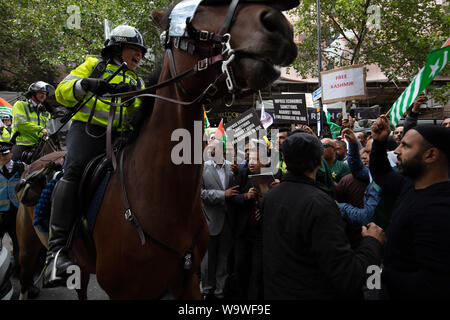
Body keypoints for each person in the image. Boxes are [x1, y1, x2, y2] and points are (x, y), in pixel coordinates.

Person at [43, 25, 147, 287]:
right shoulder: (92, 65)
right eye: (135, 49)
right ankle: (55, 253)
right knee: (74, 170)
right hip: (88, 133)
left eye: (141, 52)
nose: (139, 55)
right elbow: (61, 91)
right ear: (117, 47)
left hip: (122, 140)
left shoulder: (139, 81)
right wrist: (84, 84)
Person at [262, 133, 385, 299]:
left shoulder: (270, 196)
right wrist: (372, 242)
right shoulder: (321, 204)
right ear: (320, 162)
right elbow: (347, 275)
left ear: (284, 159)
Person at [370, 115, 450, 299]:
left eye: (405, 146)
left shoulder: (439, 210)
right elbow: (382, 173)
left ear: (431, 155)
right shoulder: (411, 185)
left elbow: (434, 285)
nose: (397, 150)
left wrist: (381, 272)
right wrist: (379, 142)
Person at [201, 139, 238, 299]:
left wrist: (238, 174)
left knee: (224, 258)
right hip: (210, 220)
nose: (212, 151)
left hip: (228, 221)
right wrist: (223, 195)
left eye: (215, 148)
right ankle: (207, 290)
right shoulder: (203, 168)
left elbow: (238, 188)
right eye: (210, 148)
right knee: (208, 260)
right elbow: (200, 194)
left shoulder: (232, 168)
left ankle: (220, 292)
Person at [11, 81, 55, 163]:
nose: (43, 95)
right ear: (33, 93)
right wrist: (40, 129)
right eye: (40, 93)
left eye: (45, 94)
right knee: (13, 170)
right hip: (22, 145)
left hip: (39, 147)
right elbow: (20, 123)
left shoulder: (45, 111)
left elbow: (50, 128)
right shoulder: (21, 104)